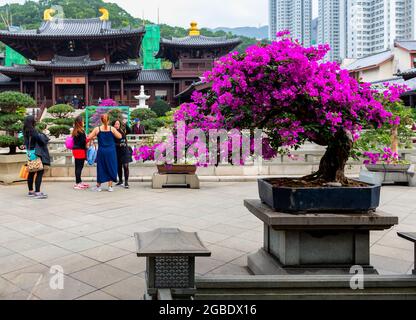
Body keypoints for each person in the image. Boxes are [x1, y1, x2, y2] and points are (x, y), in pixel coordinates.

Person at [88, 114, 122, 192]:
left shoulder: (97, 129)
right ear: (109, 120)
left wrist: (95, 136)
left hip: (102, 151)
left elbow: (89, 137)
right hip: (111, 151)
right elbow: (119, 136)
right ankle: (110, 186)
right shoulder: (112, 128)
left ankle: (99, 186)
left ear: (101, 120)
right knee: (111, 166)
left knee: (101, 167)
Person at [23, 115, 50, 199]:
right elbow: (40, 140)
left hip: (29, 153)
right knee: (39, 172)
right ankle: (37, 192)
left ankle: (31, 191)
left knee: (31, 172)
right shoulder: (33, 131)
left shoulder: (25, 131)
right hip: (35, 153)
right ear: (32, 122)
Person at [113, 119, 132, 189]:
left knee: (126, 166)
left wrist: (125, 124)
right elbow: (112, 143)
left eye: (118, 124)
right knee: (119, 167)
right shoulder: (112, 132)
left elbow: (130, 131)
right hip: (117, 151)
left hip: (125, 150)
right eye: (115, 124)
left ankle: (126, 182)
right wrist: (119, 145)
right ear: (113, 125)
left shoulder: (122, 131)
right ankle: (120, 180)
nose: (117, 125)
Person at [72, 116, 89, 190]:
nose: (83, 122)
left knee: (77, 166)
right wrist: (89, 139)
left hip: (76, 150)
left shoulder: (75, 130)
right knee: (79, 167)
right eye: (83, 121)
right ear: (80, 122)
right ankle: (77, 183)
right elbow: (83, 142)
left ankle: (79, 181)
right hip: (80, 150)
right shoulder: (81, 131)